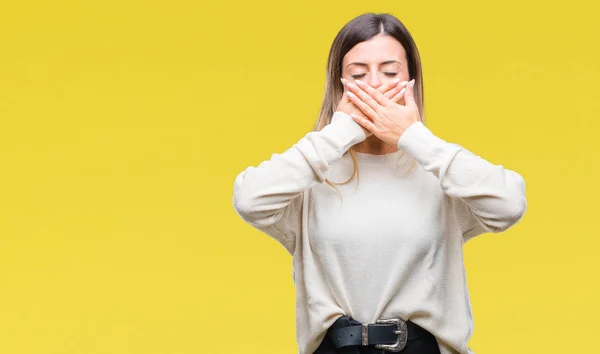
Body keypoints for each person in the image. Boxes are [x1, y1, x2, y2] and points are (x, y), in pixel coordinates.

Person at [232, 12, 527, 354]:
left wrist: (414, 137)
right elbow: (249, 199)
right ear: (339, 84)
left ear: (412, 81)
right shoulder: (313, 176)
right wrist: (339, 131)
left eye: (390, 72)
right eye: (358, 74)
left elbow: (509, 204)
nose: (374, 84)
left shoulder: (437, 171)